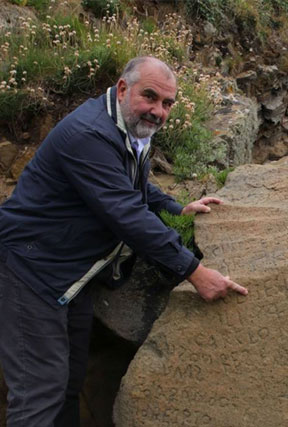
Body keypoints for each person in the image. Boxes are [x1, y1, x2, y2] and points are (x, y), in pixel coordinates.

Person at [0, 56, 248, 426]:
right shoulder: (89, 135)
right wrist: (194, 271)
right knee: (40, 392)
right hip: (31, 271)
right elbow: (127, 214)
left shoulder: (127, 127)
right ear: (122, 88)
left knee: (68, 381)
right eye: (150, 97)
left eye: (167, 104)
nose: (158, 111)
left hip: (74, 275)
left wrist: (176, 208)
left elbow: (133, 185)